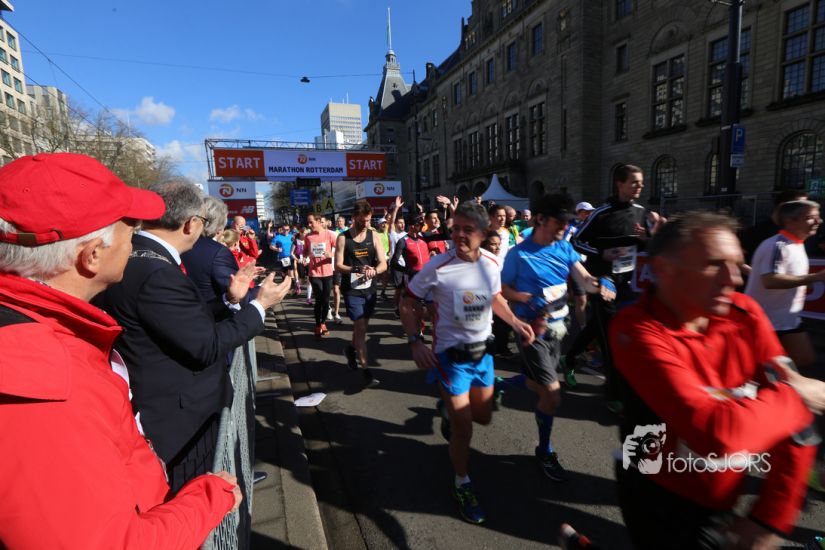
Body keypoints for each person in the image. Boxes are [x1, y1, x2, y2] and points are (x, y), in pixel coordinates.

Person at [0, 153, 242, 548]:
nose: (136, 242)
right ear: (92, 255)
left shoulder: (37, 335)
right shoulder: (43, 377)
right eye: (130, 231)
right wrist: (212, 496)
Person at [610, 211, 823, 549]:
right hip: (658, 495)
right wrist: (795, 395)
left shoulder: (745, 313)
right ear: (664, 269)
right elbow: (717, 434)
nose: (734, 278)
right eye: (714, 264)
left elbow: (798, 430)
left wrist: (770, 517)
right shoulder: (635, 329)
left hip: (728, 493)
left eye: (737, 264)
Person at [96, 181, 291, 492]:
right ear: (191, 224)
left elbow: (181, 323)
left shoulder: (140, 257)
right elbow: (206, 345)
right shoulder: (157, 271)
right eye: (202, 221)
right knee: (198, 499)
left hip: (165, 406)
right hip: (183, 420)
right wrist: (260, 306)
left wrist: (229, 299)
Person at [401, 201, 534, 524]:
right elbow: (407, 302)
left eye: (467, 230)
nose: (459, 235)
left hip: (483, 355)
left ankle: (454, 408)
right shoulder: (438, 266)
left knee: (483, 417)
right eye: (456, 228)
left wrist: (516, 323)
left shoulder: (491, 262)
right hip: (451, 359)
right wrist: (415, 341)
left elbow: (495, 297)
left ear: (484, 232)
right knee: (464, 428)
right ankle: (462, 482)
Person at [501, 194, 615, 482]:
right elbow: (503, 289)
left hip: (558, 328)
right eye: (560, 222)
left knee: (535, 384)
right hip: (532, 330)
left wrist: (603, 283)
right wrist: (526, 298)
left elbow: (585, 280)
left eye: (567, 222)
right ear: (540, 219)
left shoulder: (564, 247)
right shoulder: (519, 254)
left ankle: (497, 384)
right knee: (551, 392)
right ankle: (545, 450)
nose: (566, 227)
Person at [567, 164, 664, 409]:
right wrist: (602, 253)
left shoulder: (642, 212)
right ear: (619, 184)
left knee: (598, 327)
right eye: (635, 182)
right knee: (611, 336)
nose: (640, 186)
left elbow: (646, 247)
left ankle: (568, 358)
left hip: (630, 283)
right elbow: (576, 242)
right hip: (604, 282)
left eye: (641, 182)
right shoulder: (601, 214)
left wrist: (647, 238)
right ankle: (615, 394)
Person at [745, 200, 825, 371]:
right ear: (790, 221)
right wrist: (815, 277)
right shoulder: (778, 245)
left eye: (818, 217)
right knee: (763, 366)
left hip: (787, 319)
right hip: (765, 320)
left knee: (803, 359)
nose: (819, 221)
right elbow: (770, 280)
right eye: (811, 217)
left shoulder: (797, 244)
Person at [336, 200, 388, 386]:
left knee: (361, 328)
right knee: (361, 327)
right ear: (353, 218)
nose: (366, 224)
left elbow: (383, 263)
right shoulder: (343, 238)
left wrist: (375, 270)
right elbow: (338, 265)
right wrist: (355, 269)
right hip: (352, 290)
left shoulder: (374, 236)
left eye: (368, 220)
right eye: (362, 221)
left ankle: (350, 350)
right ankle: (366, 371)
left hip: (369, 289)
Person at [183, 196, 259, 306]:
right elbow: (236, 295)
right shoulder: (219, 252)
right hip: (213, 312)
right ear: (220, 225)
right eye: (239, 225)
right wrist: (261, 290)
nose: (242, 227)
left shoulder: (183, 244)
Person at [304, 213, 337, 337]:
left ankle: (323, 322)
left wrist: (331, 254)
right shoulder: (308, 236)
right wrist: (305, 256)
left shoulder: (329, 235)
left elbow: (340, 249)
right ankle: (318, 325)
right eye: (308, 222)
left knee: (326, 299)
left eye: (311, 222)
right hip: (314, 273)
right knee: (319, 299)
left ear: (318, 221)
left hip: (327, 272)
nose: (309, 224)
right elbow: (305, 251)